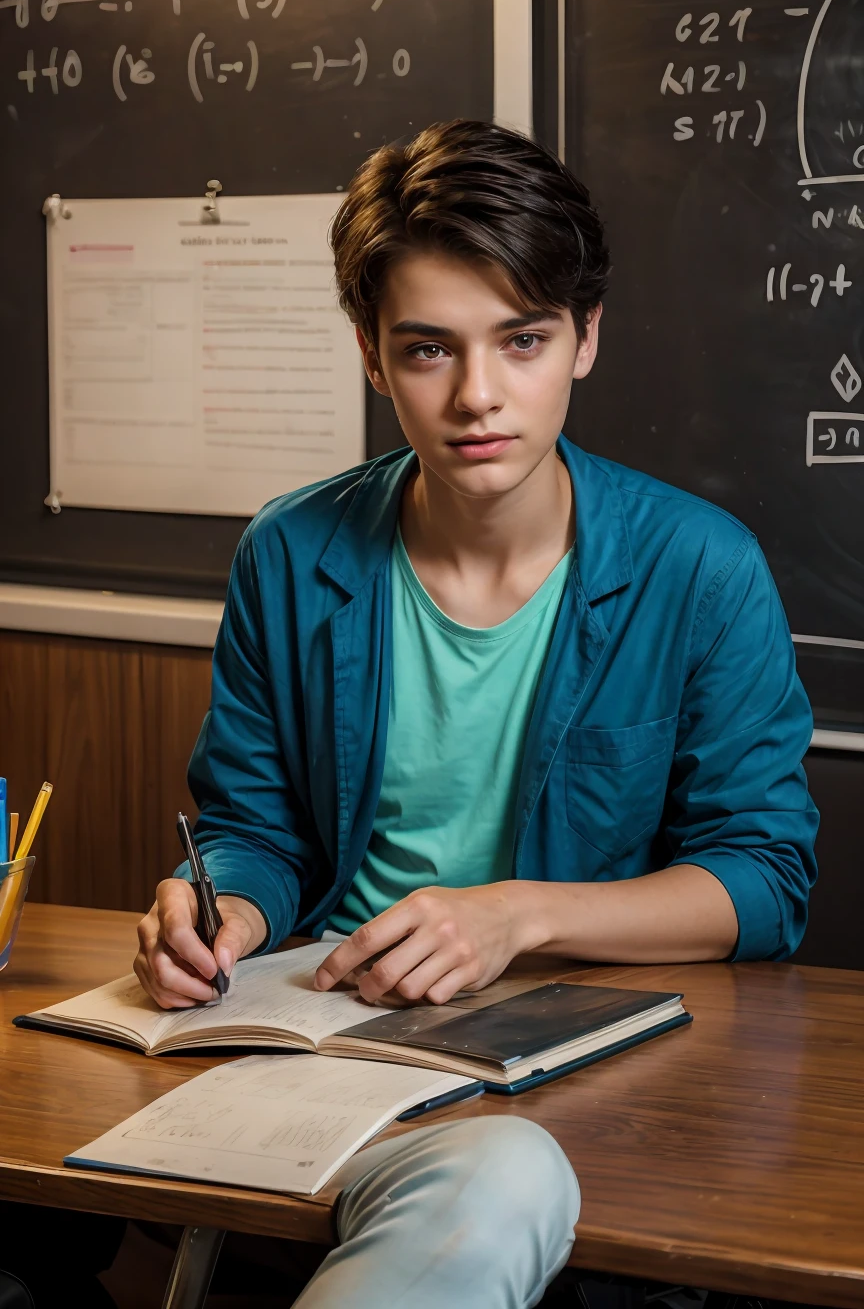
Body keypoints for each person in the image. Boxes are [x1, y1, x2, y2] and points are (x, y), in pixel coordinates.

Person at [134, 119, 818, 1309]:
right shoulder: (291, 553)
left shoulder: (699, 567)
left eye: (524, 340)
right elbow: (257, 826)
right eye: (427, 350)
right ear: (369, 354)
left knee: (496, 1188)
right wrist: (224, 910)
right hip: (314, 1041)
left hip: (578, 1067)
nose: (478, 396)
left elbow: (762, 884)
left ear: (586, 339)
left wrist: (514, 917)